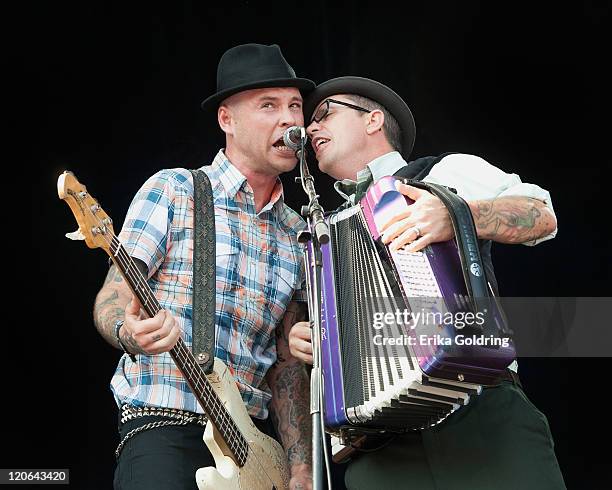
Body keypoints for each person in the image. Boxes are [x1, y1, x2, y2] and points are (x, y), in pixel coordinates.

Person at [289, 76, 566, 489]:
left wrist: (455, 213)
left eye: (324, 114)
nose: (310, 128)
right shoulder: (326, 235)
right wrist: (316, 341)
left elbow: (541, 216)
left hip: (478, 416)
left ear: (373, 120)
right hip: (381, 446)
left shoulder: (444, 172)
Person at [93, 43, 314, 490]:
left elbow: (286, 366)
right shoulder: (175, 190)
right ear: (226, 120)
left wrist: (299, 462)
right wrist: (127, 331)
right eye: (268, 105)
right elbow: (113, 297)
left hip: (253, 449)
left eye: (295, 106)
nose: (290, 119)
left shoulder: (299, 231)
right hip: (165, 423)